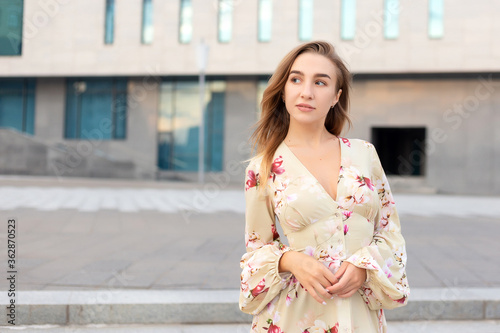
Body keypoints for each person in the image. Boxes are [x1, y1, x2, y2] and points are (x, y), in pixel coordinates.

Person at [239, 41, 410, 333]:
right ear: (283, 90)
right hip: (294, 315)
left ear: (335, 96)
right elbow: (255, 251)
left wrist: (364, 267)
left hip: (358, 314)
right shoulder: (263, 167)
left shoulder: (364, 154)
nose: (306, 91)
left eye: (320, 82)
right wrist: (288, 260)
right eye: (296, 79)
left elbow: (389, 232)